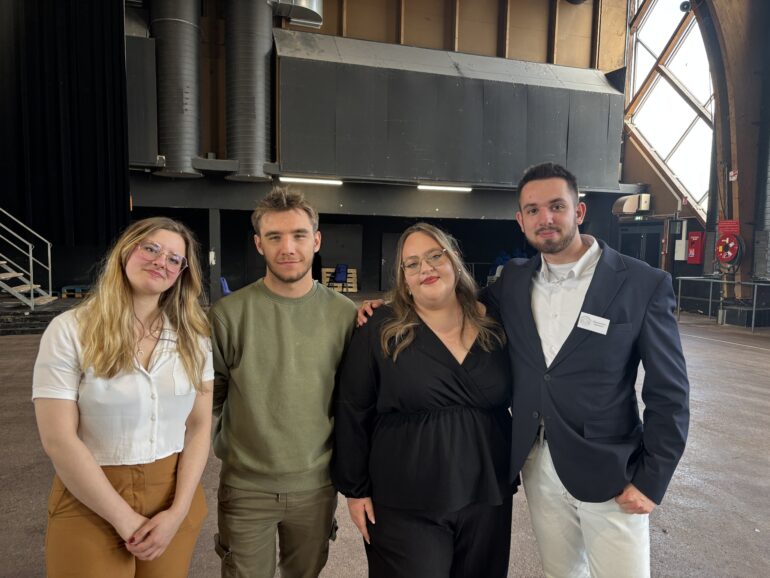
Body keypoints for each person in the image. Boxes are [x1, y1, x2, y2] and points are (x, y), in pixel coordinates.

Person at [485, 162, 690, 578]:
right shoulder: (511, 281)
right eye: (533, 210)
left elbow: (669, 392)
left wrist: (654, 478)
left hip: (612, 470)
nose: (546, 219)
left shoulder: (641, 284)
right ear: (520, 219)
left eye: (557, 206)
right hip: (539, 463)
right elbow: (453, 309)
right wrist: (382, 311)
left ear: (579, 211)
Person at [32, 217, 214, 578]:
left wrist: (178, 512)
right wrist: (123, 518)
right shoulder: (71, 330)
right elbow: (58, 439)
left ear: (181, 274)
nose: (162, 261)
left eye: (175, 259)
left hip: (173, 494)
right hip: (91, 496)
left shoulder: (194, 337)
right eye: (151, 248)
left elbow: (198, 426)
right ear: (125, 252)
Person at [335, 223, 515, 578]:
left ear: (455, 260)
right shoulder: (381, 327)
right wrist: (355, 491)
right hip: (405, 498)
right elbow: (352, 408)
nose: (426, 269)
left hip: (486, 492)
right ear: (403, 277)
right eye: (412, 263)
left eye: (436, 256)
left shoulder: (496, 319)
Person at [209, 187, 357, 578]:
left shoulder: (344, 315)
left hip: (318, 486)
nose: (287, 247)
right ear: (259, 244)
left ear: (317, 240)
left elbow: (353, 397)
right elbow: (213, 394)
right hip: (245, 488)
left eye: (299, 235)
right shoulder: (229, 314)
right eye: (274, 237)